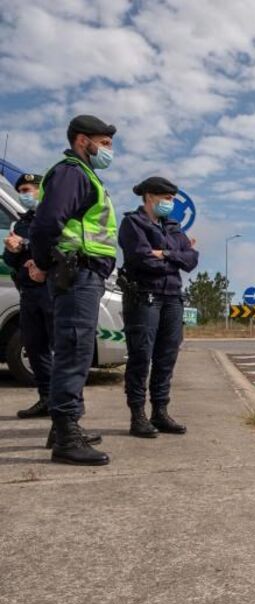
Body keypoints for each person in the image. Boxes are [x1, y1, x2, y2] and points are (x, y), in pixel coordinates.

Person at [29, 114, 117, 466]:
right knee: (74, 349)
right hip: (76, 272)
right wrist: (43, 263)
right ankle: (66, 437)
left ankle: (63, 427)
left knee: (75, 350)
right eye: (105, 143)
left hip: (85, 274)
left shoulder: (86, 176)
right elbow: (47, 223)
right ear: (84, 141)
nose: (109, 151)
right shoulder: (72, 173)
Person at [119, 176, 198, 438]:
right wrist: (176, 259)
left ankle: (160, 412)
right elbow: (142, 260)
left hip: (173, 298)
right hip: (145, 297)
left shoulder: (173, 228)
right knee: (141, 357)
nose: (170, 203)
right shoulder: (133, 223)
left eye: (172, 199)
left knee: (166, 358)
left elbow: (191, 259)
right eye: (167, 198)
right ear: (150, 197)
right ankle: (137, 416)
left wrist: (164, 254)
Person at [3, 173, 57, 419]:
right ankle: (46, 397)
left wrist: (24, 245)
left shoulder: (55, 217)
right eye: (22, 190)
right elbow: (12, 261)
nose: (25, 194)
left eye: (30, 189)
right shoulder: (19, 224)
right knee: (35, 348)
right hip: (28, 293)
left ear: (41, 191)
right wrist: (12, 249)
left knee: (62, 348)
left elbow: (55, 247)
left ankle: (66, 403)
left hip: (52, 291)